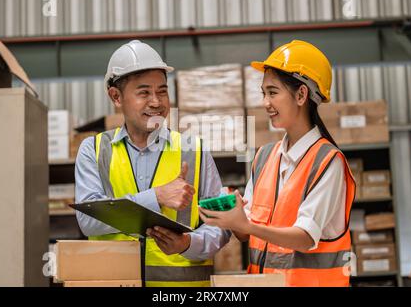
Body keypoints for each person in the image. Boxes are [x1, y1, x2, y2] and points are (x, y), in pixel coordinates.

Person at [199, 40, 356, 287]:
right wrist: (230, 216)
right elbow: (245, 232)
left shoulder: (328, 162)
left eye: (273, 92)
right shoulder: (264, 157)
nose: (265, 103)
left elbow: (305, 237)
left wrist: (246, 224)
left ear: (301, 94)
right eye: (264, 93)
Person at [75, 40, 230, 287]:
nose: (156, 102)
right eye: (144, 92)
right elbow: (88, 220)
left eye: (162, 91)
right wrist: (156, 196)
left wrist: (187, 244)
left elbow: (222, 225)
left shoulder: (194, 150)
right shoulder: (94, 150)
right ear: (116, 96)